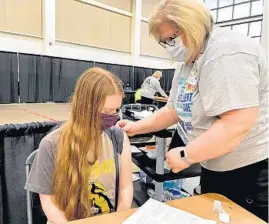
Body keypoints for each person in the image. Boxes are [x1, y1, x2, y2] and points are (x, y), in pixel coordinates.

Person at [117, 0, 268, 221]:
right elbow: (173, 110)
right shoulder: (188, 62)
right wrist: (135, 127)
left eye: (170, 39)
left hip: (248, 173)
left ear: (190, 26)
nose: (169, 46)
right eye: (164, 42)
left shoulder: (226, 54)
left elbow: (237, 122)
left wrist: (188, 155)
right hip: (214, 165)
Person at [25, 68, 133, 223]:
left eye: (116, 110)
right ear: (85, 107)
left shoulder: (118, 137)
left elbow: (126, 188)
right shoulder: (51, 144)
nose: (113, 117)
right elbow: (49, 204)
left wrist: (119, 218)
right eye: (107, 111)